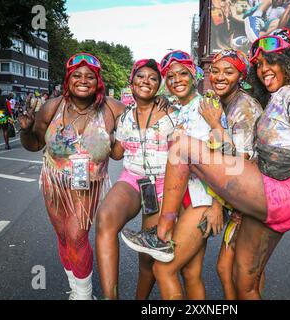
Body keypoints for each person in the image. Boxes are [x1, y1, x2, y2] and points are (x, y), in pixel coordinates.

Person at [122, 29, 290, 300]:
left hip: (276, 192)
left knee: (182, 147)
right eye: (260, 64)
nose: (264, 69)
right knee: (244, 282)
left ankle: (161, 234)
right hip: (269, 196)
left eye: (272, 60)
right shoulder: (273, 97)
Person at [18, 52, 125, 299]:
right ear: (68, 80)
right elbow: (34, 144)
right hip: (53, 181)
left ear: (98, 81)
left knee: (77, 236)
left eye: (90, 76)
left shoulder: (113, 109)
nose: (83, 80)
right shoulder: (51, 107)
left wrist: (163, 105)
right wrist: (25, 130)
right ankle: (75, 288)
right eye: (77, 75)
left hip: (89, 184)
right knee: (64, 237)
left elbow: (126, 144)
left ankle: (84, 295)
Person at [122, 50, 226, 300]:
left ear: (193, 75)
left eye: (183, 74)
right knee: (190, 274)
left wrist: (218, 205)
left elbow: (226, 156)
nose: (176, 79)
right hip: (183, 200)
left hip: (201, 201)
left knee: (163, 269)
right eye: (170, 76)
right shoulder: (179, 109)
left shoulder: (206, 105)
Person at [95, 59, 178, 300]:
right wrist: (100, 137)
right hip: (132, 179)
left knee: (147, 254)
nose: (146, 81)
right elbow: (117, 153)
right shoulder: (125, 117)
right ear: (131, 83)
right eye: (141, 77)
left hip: (162, 184)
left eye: (153, 78)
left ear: (158, 87)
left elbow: (182, 159)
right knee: (105, 218)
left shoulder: (170, 114)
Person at [198, 48, 263, 300]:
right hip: (241, 197)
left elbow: (239, 161)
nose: (220, 77)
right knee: (230, 270)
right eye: (215, 71)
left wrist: (217, 204)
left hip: (251, 197)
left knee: (242, 274)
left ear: (241, 76)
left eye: (229, 71)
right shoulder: (225, 103)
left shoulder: (243, 107)